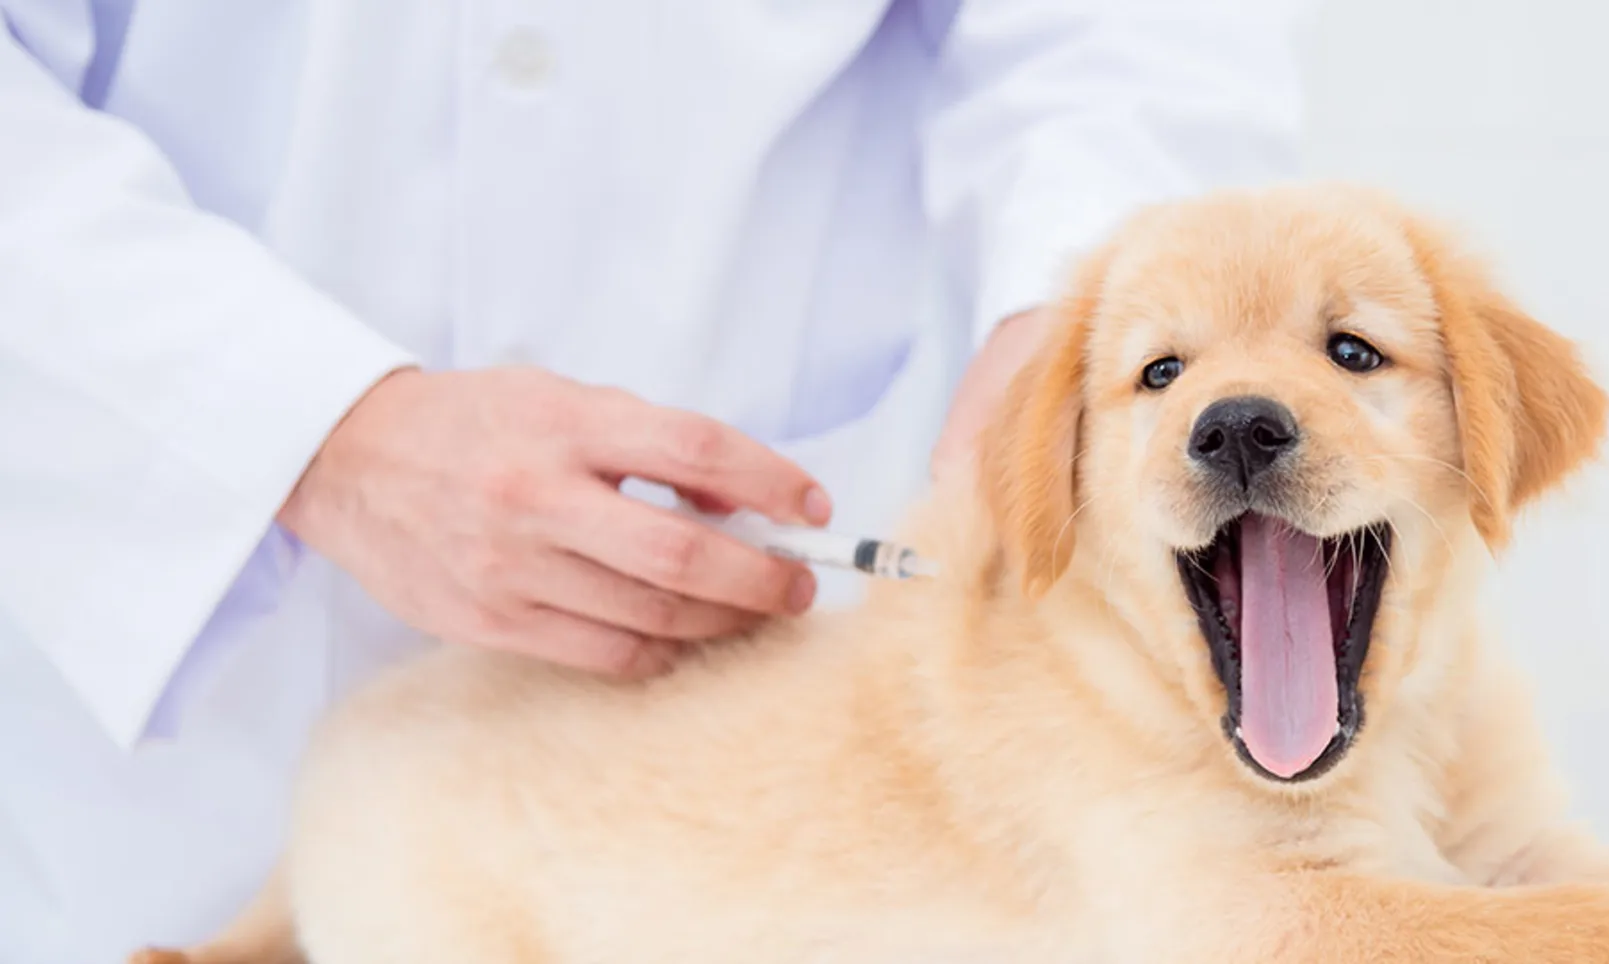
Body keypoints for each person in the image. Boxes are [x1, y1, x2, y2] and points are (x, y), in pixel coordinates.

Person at [0, 0, 1311, 958]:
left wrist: (1086, 307)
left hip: (810, 701)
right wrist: (299, 427)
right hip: (170, 713)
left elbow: (1129, 32)